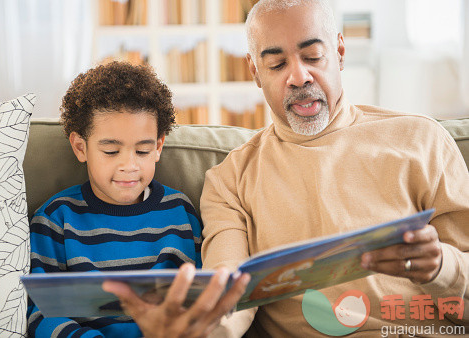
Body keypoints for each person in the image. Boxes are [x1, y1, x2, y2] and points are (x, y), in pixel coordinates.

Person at [104, 0, 468, 337]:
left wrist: (441, 267)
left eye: (313, 56)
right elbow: (229, 297)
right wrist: (196, 328)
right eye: (276, 64)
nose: (299, 77)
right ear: (255, 71)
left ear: (340, 53)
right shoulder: (230, 180)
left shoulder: (421, 140)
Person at [26, 61, 243, 337]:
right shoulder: (55, 219)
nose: (129, 166)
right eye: (111, 152)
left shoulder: (180, 211)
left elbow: (200, 297)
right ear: (81, 147)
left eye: (142, 151)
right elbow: (40, 311)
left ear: (158, 147)